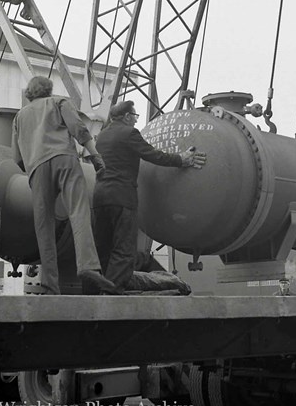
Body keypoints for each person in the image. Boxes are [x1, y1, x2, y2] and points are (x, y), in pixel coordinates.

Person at [12, 75, 116, 295]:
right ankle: (88, 266)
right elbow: (78, 129)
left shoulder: (19, 117)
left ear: (29, 94)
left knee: (44, 226)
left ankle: (50, 284)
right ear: (49, 90)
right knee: (78, 211)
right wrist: (95, 156)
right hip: (64, 159)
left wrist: (33, 163)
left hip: (37, 168)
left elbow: (17, 158)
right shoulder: (58, 102)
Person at [92, 100, 206, 292]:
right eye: (135, 116)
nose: (136, 121)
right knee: (123, 246)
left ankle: (100, 286)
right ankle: (114, 289)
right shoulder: (129, 133)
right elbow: (153, 155)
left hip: (100, 196)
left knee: (103, 245)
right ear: (127, 116)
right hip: (122, 196)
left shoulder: (101, 136)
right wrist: (181, 159)